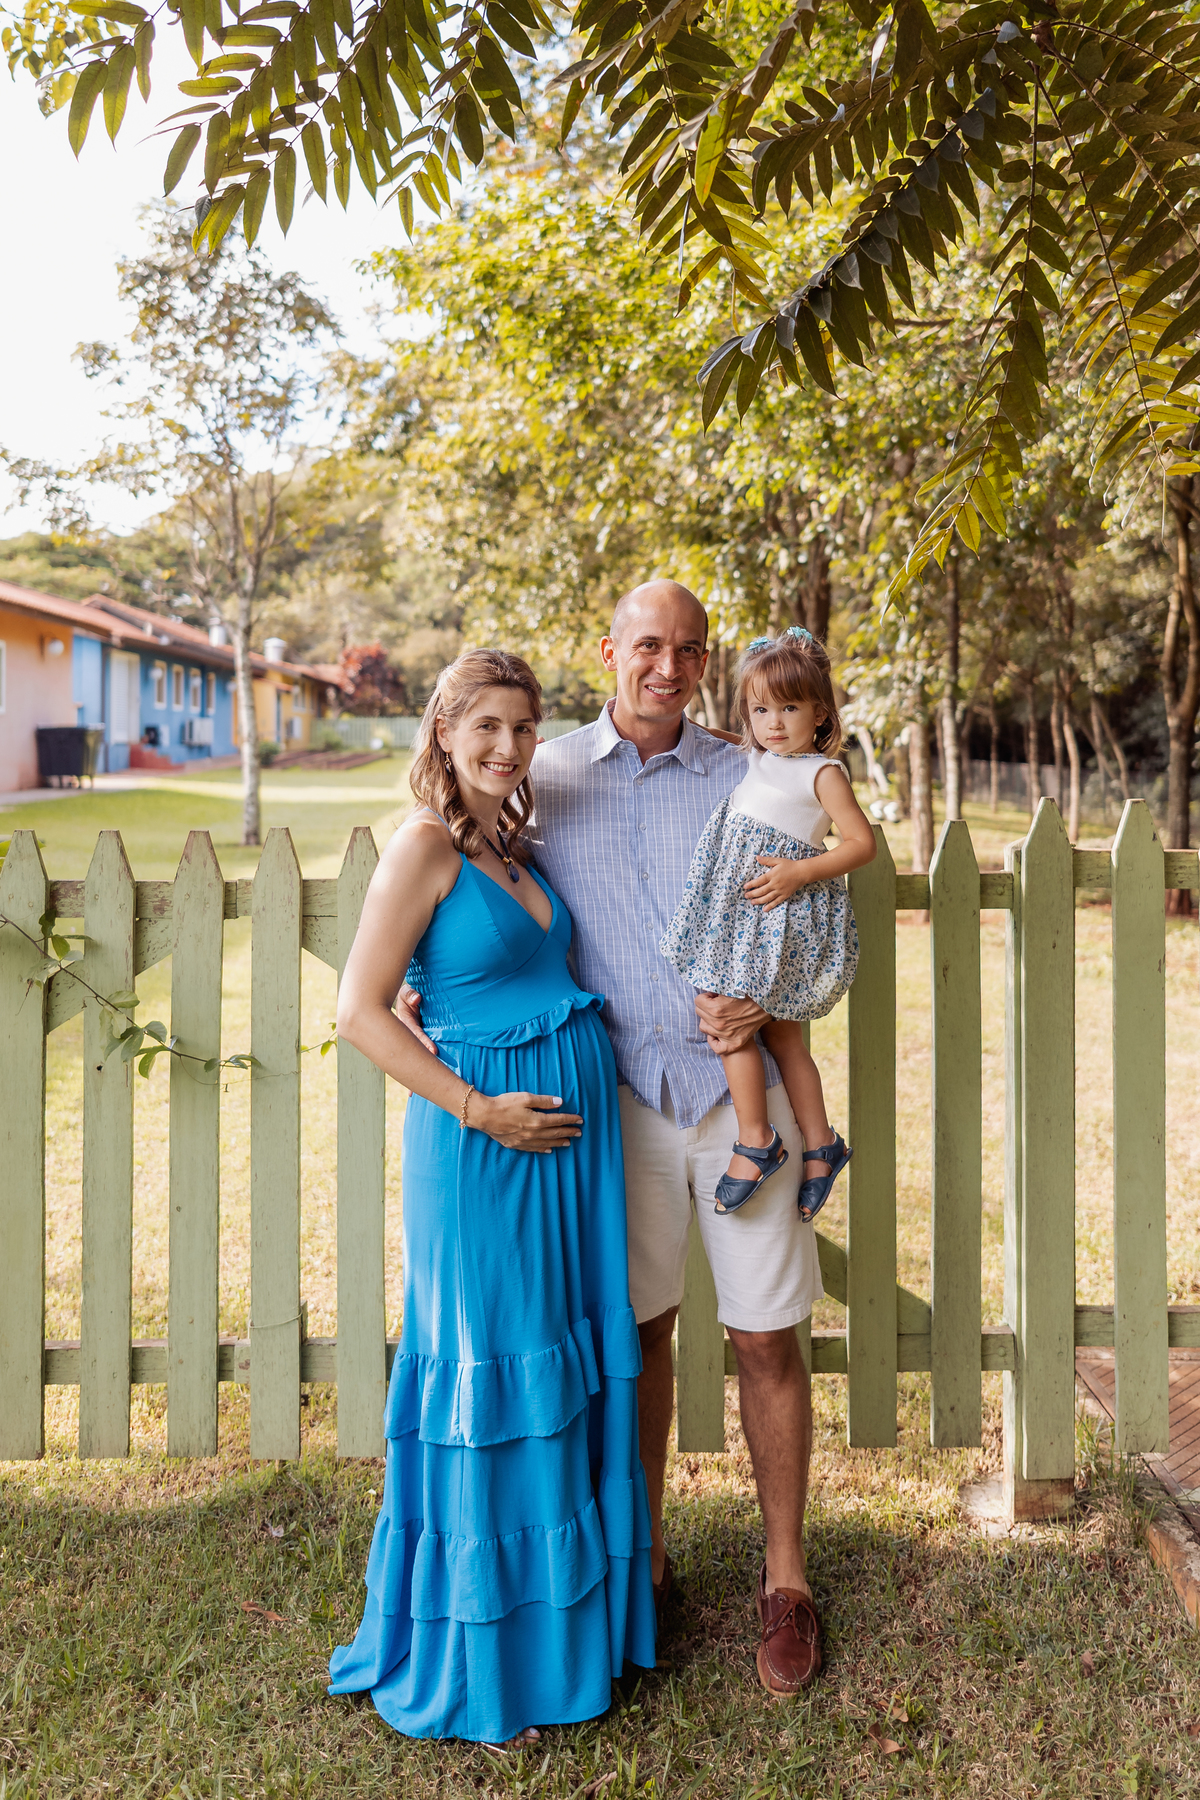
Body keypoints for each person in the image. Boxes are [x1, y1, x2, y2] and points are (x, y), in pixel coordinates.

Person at [327, 647, 656, 1744]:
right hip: (486, 1158)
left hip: (564, 1161)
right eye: (488, 727)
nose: (509, 746)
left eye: (524, 727)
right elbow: (360, 1013)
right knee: (491, 1374)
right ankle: (485, 1650)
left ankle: (567, 1633)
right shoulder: (422, 846)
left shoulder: (507, 842)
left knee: (555, 1374)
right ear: (444, 731)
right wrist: (481, 1110)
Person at [526, 581, 831, 1696]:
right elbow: (466, 865)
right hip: (623, 1102)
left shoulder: (747, 774)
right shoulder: (547, 773)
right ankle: (643, 1560)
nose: (669, 666)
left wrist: (769, 999)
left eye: (688, 649)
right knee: (641, 1338)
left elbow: (812, 910)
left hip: (733, 1099)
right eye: (648, 646)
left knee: (765, 1339)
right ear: (608, 649)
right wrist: (414, 979)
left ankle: (785, 1579)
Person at [659, 627, 875, 1220]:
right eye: (760, 709)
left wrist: (801, 874)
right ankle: (821, 1144)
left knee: (730, 1019)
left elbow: (860, 845)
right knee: (779, 1034)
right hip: (743, 914)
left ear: (819, 714)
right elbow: (718, 735)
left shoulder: (821, 773)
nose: (774, 722)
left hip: (776, 912)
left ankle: (757, 1140)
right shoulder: (756, 753)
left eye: (789, 708)